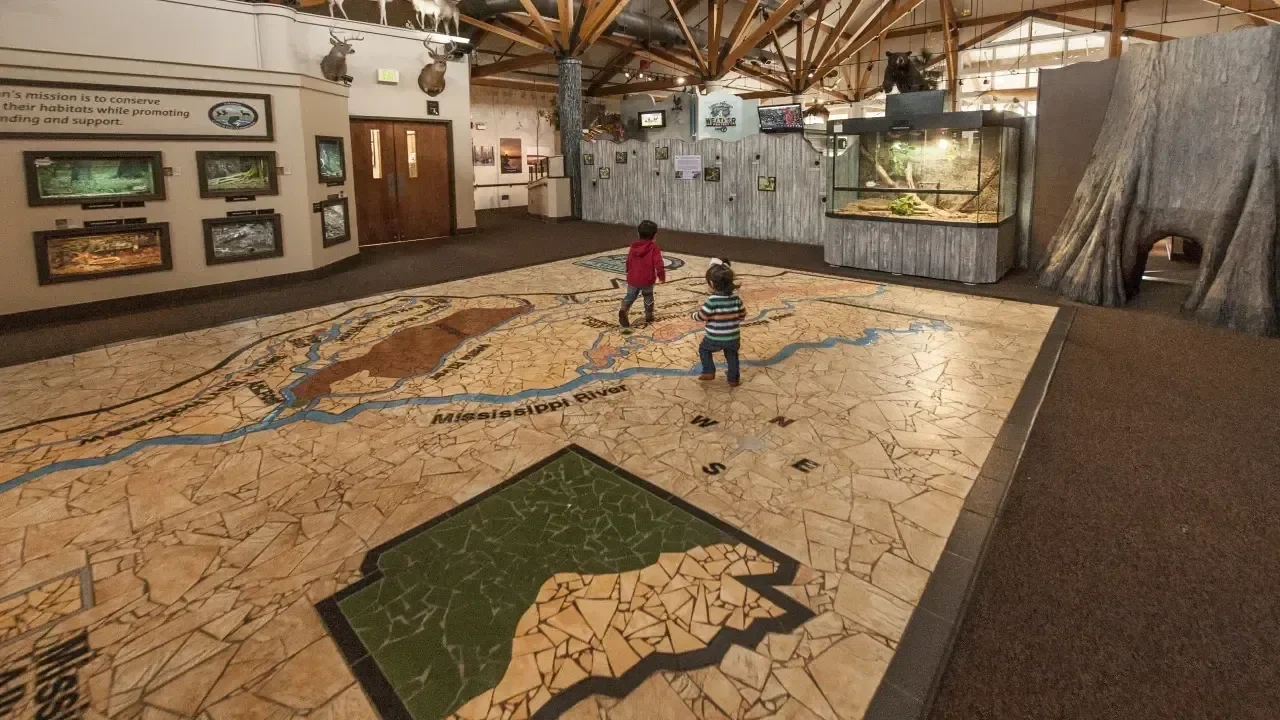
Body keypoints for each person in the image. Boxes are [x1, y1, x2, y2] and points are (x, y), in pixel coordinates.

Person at [692, 263, 746, 387]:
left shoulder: (712, 300)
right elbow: (742, 315)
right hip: (733, 337)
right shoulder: (736, 299)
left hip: (714, 337)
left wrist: (694, 315)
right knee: (732, 356)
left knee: (704, 349)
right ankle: (733, 379)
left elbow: (702, 316)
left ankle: (709, 371)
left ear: (711, 283)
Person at [619, 220, 666, 333]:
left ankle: (624, 309)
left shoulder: (633, 246)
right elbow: (659, 264)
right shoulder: (654, 248)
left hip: (633, 278)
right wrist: (661, 276)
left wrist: (628, 271)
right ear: (654, 235)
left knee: (630, 295)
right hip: (647, 280)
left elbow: (628, 261)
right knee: (648, 296)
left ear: (638, 233)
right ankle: (649, 315)